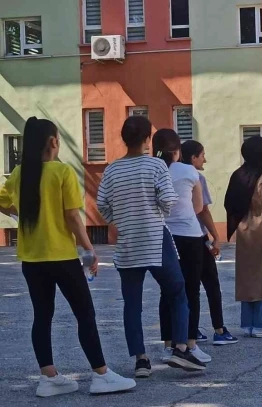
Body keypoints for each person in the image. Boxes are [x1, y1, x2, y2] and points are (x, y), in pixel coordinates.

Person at [0, 118, 136, 396]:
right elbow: (72, 217)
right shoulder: (62, 172)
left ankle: (48, 377)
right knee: (84, 314)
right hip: (61, 257)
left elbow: (3, 200)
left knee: (42, 316)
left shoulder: (19, 173)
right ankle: (101, 374)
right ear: (53, 141)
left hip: (32, 260)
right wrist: (89, 249)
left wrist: (19, 212)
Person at [97, 116, 205, 376]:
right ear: (147, 139)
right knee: (177, 291)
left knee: (132, 303)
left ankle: (141, 360)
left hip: (128, 242)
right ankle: (180, 348)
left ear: (124, 139)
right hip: (156, 238)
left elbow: (102, 205)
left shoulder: (112, 170)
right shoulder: (156, 165)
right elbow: (168, 199)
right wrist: (156, 213)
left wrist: (120, 220)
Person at [154, 129, 210, 365]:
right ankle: (190, 343)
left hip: (164, 233)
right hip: (189, 234)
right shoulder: (189, 171)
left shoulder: (154, 169)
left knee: (167, 291)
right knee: (191, 290)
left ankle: (168, 345)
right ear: (177, 150)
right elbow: (198, 207)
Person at [224, 135, 262, 338]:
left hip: (244, 228)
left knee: (247, 276)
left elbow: (229, 203)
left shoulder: (238, 175)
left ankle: (247, 323)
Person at [181, 140, 238, 346]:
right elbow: (203, 210)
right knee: (211, 282)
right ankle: (219, 329)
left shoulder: (171, 175)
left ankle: (191, 328)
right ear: (193, 157)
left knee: (188, 285)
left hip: (178, 237)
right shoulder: (197, 177)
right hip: (197, 235)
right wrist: (215, 235)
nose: (205, 159)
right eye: (202, 155)